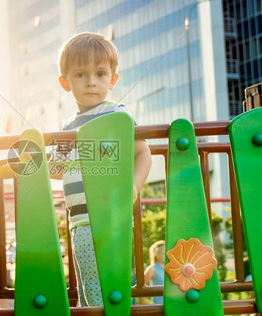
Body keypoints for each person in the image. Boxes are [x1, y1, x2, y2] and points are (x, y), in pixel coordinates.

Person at [50, 32, 152, 306]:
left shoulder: (117, 114)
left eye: (100, 73)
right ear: (65, 83)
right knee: (87, 289)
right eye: (80, 75)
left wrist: (134, 184)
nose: (91, 82)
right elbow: (56, 169)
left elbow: (143, 152)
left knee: (107, 287)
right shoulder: (68, 126)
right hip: (79, 218)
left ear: (113, 79)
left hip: (110, 212)